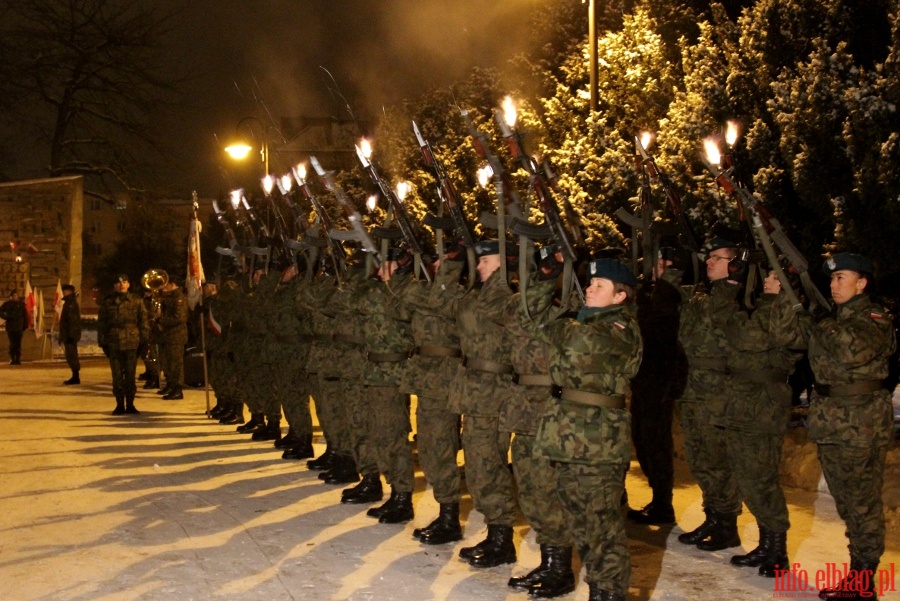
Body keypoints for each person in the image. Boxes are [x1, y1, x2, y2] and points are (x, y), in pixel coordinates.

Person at [521, 257, 642, 601]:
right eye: (590, 283)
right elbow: (527, 318)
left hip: (598, 443)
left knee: (601, 526)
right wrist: (546, 276)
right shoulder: (582, 320)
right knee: (581, 523)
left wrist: (564, 318)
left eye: (600, 285)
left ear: (620, 296)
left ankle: (609, 593)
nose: (590, 288)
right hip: (567, 437)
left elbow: (576, 345)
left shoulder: (621, 329)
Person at [808, 253, 895, 601]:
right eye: (831, 279)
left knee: (862, 503)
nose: (833, 285)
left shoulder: (874, 318)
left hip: (861, 424)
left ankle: (862, 584)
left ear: (863, 283)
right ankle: (856, 577)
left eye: (841, 277)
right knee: (846, 502)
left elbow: (850, 351)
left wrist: (823, 323)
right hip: (832, 421)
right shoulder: (835, 318)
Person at [723, 271, 810, 577]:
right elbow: (734, 334)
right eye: (769, 277)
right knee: (747, 477)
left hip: (766, 407)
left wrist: (777, 299)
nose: (768, 281)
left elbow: (757, 337)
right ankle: (765, 544)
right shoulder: (761, 309)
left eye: (776, 278)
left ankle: (778, 550)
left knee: (762, 478)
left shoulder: (795, 316)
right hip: (742, 405)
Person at [449, 239, 519, 568]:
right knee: (478, 466)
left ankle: (502, 538)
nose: (478, 266)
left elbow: (496, 311)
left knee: (489, 465)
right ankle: (495, 532)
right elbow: (461, 311)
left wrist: (503, 278)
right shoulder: (479, 294)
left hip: (495, 394)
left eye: (486, 261)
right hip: (475, 393)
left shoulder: (506, 297)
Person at [675, 236, 744, 552]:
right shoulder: (700, 296)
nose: (709, 262)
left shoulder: (738, 298)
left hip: (719, 392)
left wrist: (733, 283)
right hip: (692, 389)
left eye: (717, 257)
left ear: (735, 263)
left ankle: (727, 523)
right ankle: (713, 516)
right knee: (700, 458)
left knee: (718, 460)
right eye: (709, 257)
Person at [97, 274, 149, 415]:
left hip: (132, 342)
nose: (122, 285)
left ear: (129, 284)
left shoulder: (137, 301)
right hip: (114, 342)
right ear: (114, 286)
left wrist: (144, 341)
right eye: (119, 283)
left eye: (125, 282)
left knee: (130, 375)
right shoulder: (108, 302)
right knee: (117, 375)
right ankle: (119, 404)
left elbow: (143, 322)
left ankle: (130, 404)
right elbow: (102, 323)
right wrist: (102, 342)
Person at [156, 278, 188, 400]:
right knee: (168, 363)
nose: (163, 287)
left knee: (176, 364)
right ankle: (171, 384)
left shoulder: (178, 297)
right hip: (168, 336)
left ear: (173, 284)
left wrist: (161, 320)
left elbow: (179, 318)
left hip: (176, 336)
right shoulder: (168, 297)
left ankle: (177, 389)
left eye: (165, 284)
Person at [59, 284, 82, 384]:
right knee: (70, 355)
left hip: (70, 335)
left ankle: (75, 376)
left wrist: (71, 335)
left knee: (72, 355)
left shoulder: (71, 304)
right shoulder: (68, 303)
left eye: (65, 290)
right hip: (68, 334)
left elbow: (72, 321)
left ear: (70, 291)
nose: (63, 292)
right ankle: (75, 375)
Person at [0, 290, 27, 365]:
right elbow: (0, 311)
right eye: (13, 296)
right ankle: (12, 358)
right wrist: (6, 317)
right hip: (11, 327)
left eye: (16, 295)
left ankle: (18, 359)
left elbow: (25, 316)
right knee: (12, 344)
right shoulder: (7, 304)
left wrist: (24, 326)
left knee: (18, 343)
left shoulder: (21, 304)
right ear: (11, 296)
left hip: (19, 327)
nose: (15, 297)